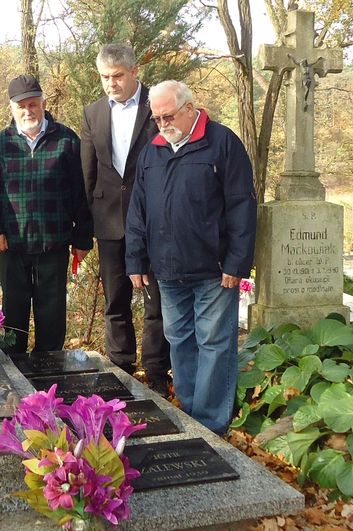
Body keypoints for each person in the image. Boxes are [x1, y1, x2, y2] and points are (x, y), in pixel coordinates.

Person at [125, 80, 257, 434]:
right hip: (167, 270)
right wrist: (135, 260)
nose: (163, 123)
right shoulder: (152, 150)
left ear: (189, 108)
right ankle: (190, 414)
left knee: (214, 344)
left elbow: (242, 205)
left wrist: (236, 263)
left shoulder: (222, 142)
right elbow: (138, 210)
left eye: (168, 116)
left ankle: (211, 425)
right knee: (180, 341)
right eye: (157, 118)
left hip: (214, 270)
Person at [0, 75, 93, 353]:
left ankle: (50, 379)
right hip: (11, 247)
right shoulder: (1, 144)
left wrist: (83, 238)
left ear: (43, 103)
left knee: (52, 318)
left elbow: (82, 193)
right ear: (11, 109)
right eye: (21, 106)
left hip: (54, 245)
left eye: (33, 104)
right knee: (13, 319)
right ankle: (15, 377)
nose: (28, 111)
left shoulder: (65, 140)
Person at [80, 43, 171, 394]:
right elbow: (88, 172)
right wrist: (87, 224)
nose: (111, 84)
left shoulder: (157, 106)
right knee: (115, 299)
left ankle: (157, 372)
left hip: (153, 219)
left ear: (134, 72)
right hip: (109, 221)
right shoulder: (93, 113)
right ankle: (120, 367)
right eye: (104, 77)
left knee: (155, 301)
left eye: (117, 76)